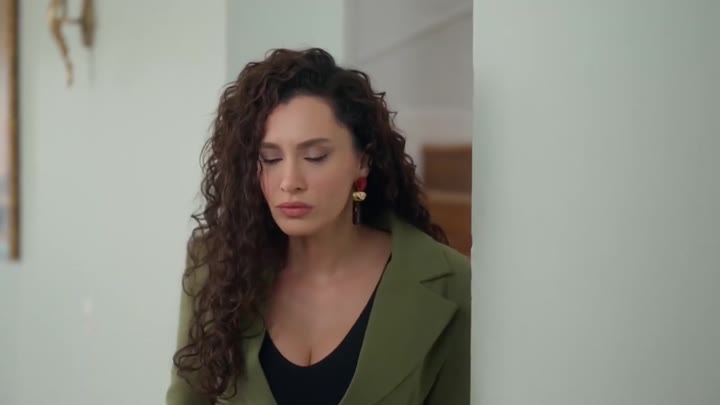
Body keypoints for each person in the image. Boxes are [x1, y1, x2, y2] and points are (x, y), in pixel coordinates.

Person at [166, 48, 471, 405]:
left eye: (315, 156)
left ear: (362, 161)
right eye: (270, 158)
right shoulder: (216, 266)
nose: (290, 182)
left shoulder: (448, 281)